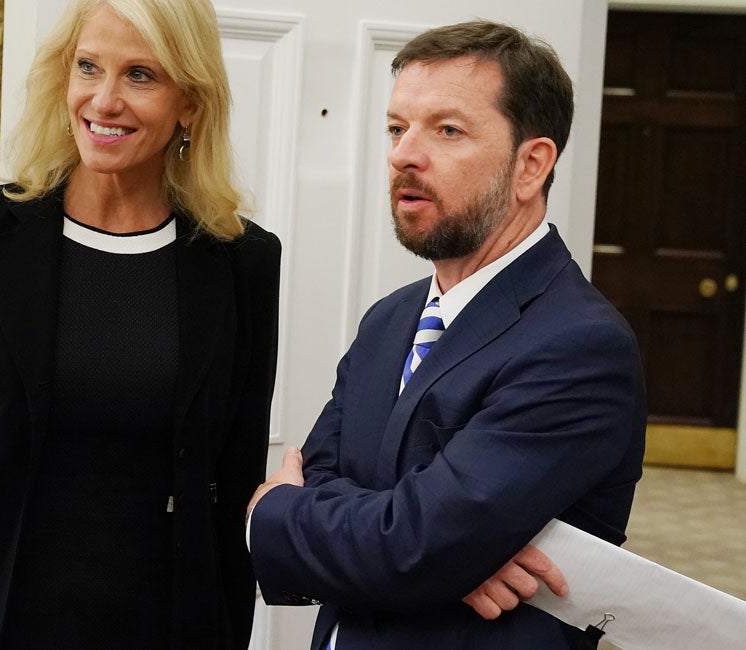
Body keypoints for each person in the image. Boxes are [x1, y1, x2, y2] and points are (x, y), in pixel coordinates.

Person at [0, 0, 281, 648]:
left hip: (154, 620)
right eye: (88, 67)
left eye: (140, 75)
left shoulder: (243, 262)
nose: (104, 100)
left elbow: (233, 480)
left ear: (190, 103)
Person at [246, 20, 646, 650]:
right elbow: (332, 482)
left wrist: (270, 512)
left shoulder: (581, 346)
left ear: (531, 165)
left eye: (447, 130)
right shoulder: (390, 319)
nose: (402, 154)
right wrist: (442, 555)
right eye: (397, 128)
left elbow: (412, 545)